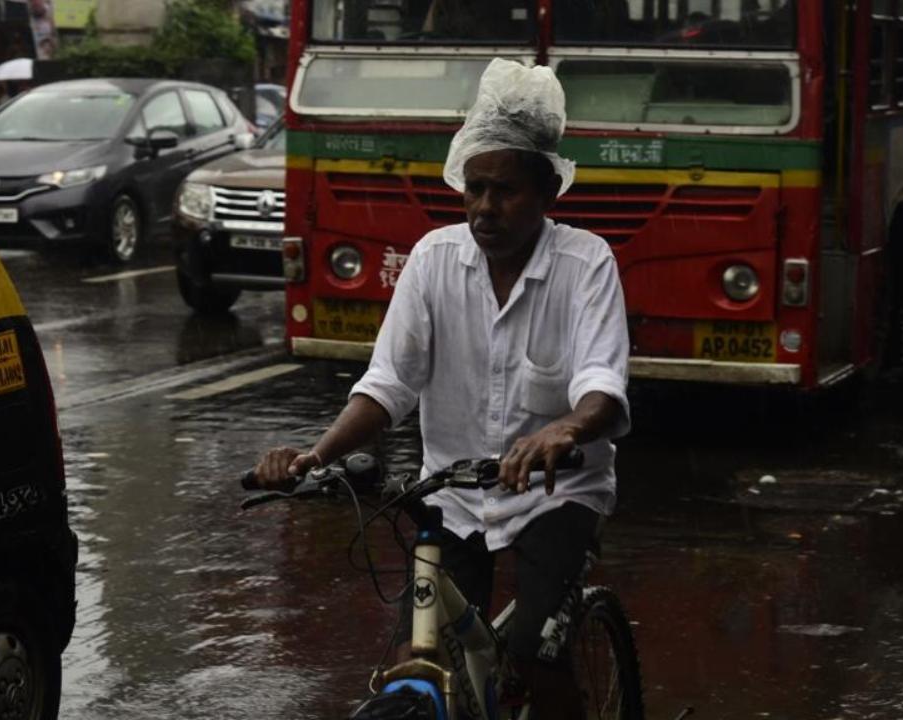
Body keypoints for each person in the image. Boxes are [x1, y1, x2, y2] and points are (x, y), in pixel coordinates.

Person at [253, 58, 630, 717]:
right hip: (450, 498)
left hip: (556, 495)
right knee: (414, 663)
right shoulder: (432, 259)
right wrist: (318, 455)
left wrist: (563, 429)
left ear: (546, 193)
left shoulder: (586, 263)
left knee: (539, 655)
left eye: (505, 190)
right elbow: (388, 386)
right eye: (474, 188)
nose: (485, 206)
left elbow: (600, 384)